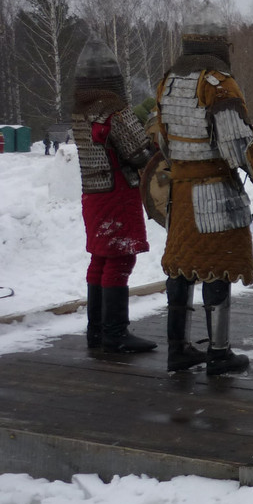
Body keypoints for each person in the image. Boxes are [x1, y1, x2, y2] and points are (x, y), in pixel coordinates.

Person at [156, 0, 253, 375]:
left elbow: (162, 142)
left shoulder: (168, 81)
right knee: (217, 266)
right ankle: (219, 352)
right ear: (218, 45)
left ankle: (178, 349)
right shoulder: (218, 84)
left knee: (180, 267)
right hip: (214, 192)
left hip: (180, 195)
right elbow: (236, 148)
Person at [71, 36, 158, 354]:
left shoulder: (81, 114)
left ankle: (97, 332)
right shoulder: (115, 112)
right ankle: (115, 334)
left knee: (100, 259)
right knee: (121, 258)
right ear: (113, 79)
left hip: (92, 197)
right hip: (118, 195)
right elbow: (140, 154)